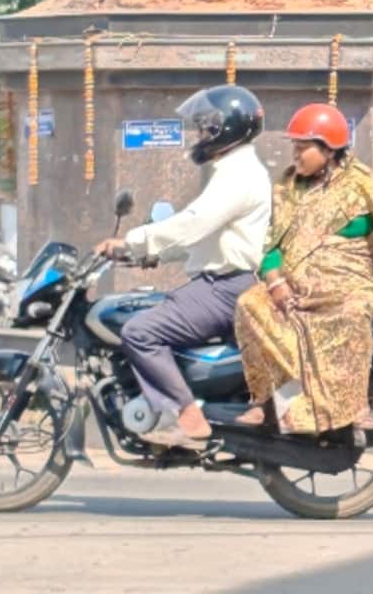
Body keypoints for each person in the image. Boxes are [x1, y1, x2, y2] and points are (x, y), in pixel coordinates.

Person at [95, 86, 272, 449]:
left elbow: (194, 223)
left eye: (206, 128)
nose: (200, 136)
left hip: (225, 288)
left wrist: (133, 240)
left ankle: (186, 417)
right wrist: (151, 256)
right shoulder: (234, 170)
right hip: (221, 282)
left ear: (228, 129)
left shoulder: (238, 174)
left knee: (140, 332)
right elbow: (207, 237)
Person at [233, 104, 373, 435]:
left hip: (347, 284)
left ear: (329, 149)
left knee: (353, 312)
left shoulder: (361, 185)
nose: (296, 154)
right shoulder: (286, 187)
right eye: (294, 146)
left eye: (303, 147)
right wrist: (276, 282)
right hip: (293, 288)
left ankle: (355, 405)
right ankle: (267, 402)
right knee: (250, 304)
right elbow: (270, 244)